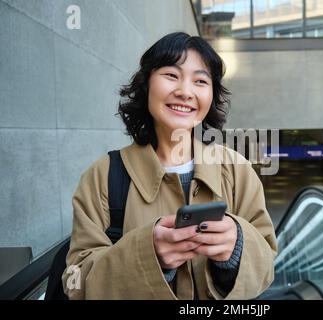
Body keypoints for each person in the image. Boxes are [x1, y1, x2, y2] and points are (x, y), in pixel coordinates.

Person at [62, 32, 277, 300]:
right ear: (146, 85)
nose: (185, 92)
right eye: (171, 76)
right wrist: (148, 259)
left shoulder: (236, 169)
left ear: (211, 95)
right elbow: (75, 282)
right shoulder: (104, 174)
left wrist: (235, 252)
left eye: (200, 81)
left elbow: (267, 265)